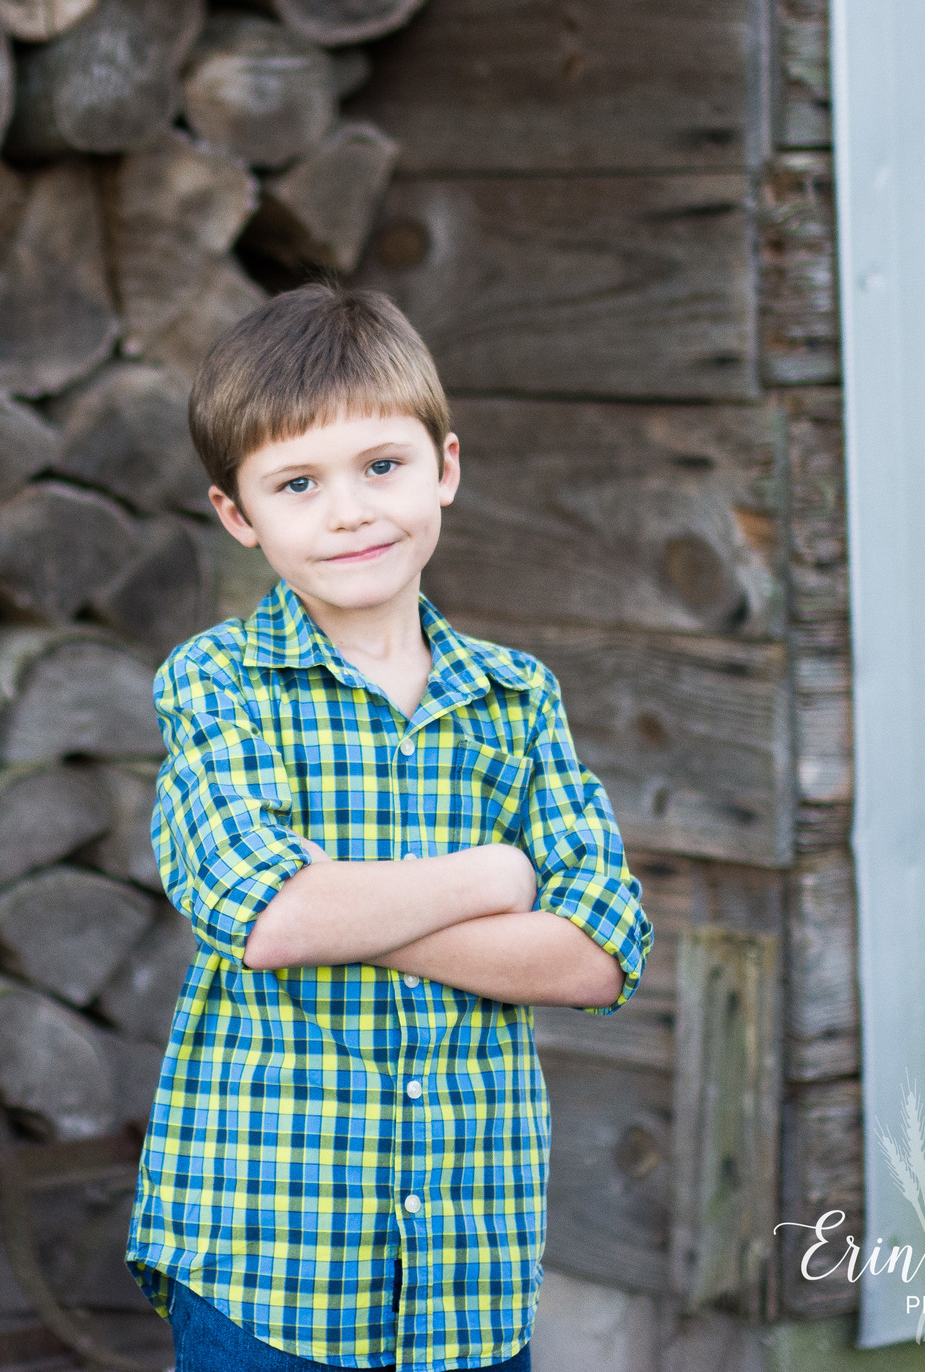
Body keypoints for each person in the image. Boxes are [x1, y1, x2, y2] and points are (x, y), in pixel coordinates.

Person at [129, 283, 653, 1372]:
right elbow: (270, 918)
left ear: (444, 466)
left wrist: (350, 908)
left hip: (472, 1265)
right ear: (238, 514)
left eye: (381, 465)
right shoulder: (219, 683)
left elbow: (599, 952)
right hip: (269, 1260)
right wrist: (492, 874)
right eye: (297, 483)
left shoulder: (515, 698)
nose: (350, 511)